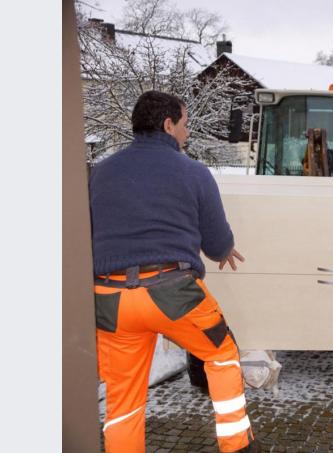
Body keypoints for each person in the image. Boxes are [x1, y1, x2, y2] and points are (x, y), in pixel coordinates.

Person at [90, 91, 259, 453]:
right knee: (221, 354)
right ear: (167, 125)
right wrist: (225, 250)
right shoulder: (193, 171)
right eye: (184, 125)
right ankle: (237, 446)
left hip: (110, 300)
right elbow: (216, 243)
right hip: (173, 293)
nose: (187, 133)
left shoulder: (100, 173)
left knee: (123, 400)